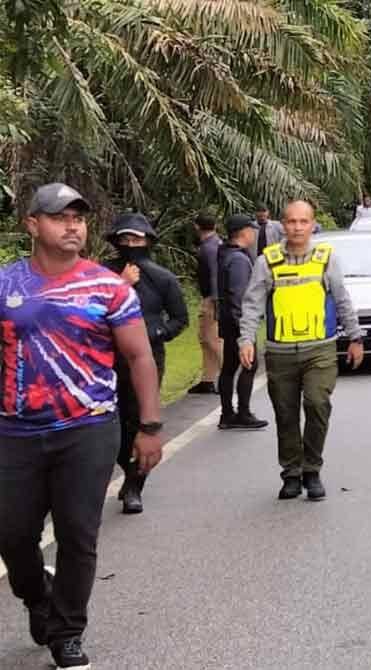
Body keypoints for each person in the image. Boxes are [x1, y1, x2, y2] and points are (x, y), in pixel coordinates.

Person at [0, 183, 163, 670]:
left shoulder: (107, 286)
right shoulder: (6, 284)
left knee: (78, 535)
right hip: (14, 433)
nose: (72, 226)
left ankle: (67, 632)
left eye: (79, 218)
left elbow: (139, 357)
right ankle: (38, 596)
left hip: (87, 430)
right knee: (11, 536)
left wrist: (150, 425)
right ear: (32, 225)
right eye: (59, 217)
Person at [238, 200, 364, 501]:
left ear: (312, 224)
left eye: (303, 221)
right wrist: (246, 339)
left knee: (318, 404)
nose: (296, 227)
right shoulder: (266, 261)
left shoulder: (325, 258)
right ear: (282, 225)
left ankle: (312, 469)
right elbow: (252, 303)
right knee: (286, 414)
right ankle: (291, 474)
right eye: (291, 222)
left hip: (319, 350)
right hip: (280, 353)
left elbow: (342, 298)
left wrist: (355, 337)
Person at [104, 213, 188, 514]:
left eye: (137, 240)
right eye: (125, 239)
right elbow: (88, 310)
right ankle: (124, 469)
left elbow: (180, 319)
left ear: (148, 242)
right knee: (110, 427)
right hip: (106, 359)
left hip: (148, 359)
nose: (131, 245)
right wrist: (120, 285)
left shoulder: (162, 278)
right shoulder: (101, 275)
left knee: (142, 421)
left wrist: (156, 333)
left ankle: (134, 486)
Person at [217, 215, 269, 431]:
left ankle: (228, 412)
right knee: (249, 364)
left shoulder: (226, 253)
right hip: (237, 321)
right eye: (252, 230)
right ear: (244, 232)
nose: (254, 234)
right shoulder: (238, 260)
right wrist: (245, 328)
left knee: (229, 367)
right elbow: (240, 295)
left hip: (228, 320)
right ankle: (242, 412)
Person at [190, 213, 223, 395]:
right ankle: (208, 379)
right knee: (205, 339)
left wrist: (215, 301)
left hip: (211, 298)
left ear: (197, 227)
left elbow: (214, 275)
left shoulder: (209, 248)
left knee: (213, 339)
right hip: (210, 297)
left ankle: (226, 377)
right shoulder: (213, 244)